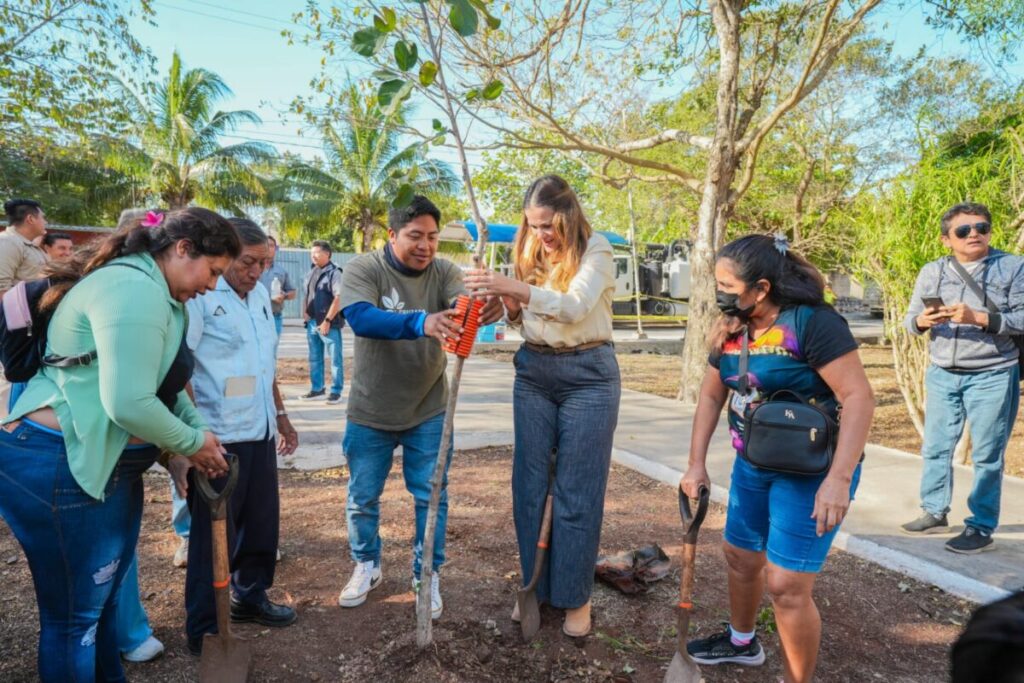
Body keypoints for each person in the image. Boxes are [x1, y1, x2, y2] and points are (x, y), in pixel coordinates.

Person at [0, 207, 236, 682]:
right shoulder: (133, 290)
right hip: (59, 465)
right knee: (75, 623)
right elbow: (128, 403)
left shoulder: (161, 295)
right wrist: (192, 444)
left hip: (101, 468)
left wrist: (192, 441)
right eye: (212, 271)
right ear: (182, 248)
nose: (212, 286)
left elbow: (165, 387)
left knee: (102, 608)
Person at [678, 234, 874, 683]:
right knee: (740, 557)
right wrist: (696, 463)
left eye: (727, 283)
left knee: (786, 587)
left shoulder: (811, 323)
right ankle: (742, 642)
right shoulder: (731, 327)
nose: (718, 291)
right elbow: (710, 397)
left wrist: (839, 480)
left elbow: (859, 397)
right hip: (754, 464)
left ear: (761, 288)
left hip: (812, 471)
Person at [463, 174, 620, 638]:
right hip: (534, 372)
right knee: (529, 485)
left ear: (568, 216)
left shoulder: (598, 250)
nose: (540, 235)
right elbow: (522, 318)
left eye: (548, 225)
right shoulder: (528, 251)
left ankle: (575, 597)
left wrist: (515, 288)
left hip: (589, 375)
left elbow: (574, 308)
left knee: (577, 490)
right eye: (532, 226)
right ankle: (534, 586)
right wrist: (505, 303)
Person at [336, 195, 501, 618]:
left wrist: (486, 308)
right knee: (362, 498)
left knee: (431, 497)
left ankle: (426, 574)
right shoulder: (364, 268)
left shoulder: (444, 271)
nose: (426, 245)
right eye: (415, 236)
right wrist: (421, 322)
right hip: (370, 411)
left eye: (432, 237)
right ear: (392, 235)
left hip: (429, 409)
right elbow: (359, 317)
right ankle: (367, 564)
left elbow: (463, 305)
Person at [173, 217, 299, 655]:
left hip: (259, 429)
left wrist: (281, 415)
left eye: (265, 262)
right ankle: (205, 626)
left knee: (262, 523)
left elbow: (265, 363)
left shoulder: (262, 294)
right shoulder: (203, 297)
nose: (257, 271)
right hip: (217, 435)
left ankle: (251, 595)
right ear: (227, 256)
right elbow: (181, 368)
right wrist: (194, 434)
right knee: (213, 536)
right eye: (249, 262)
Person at [900, 202, 1023, 553]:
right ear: (945, 239)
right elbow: (909, 322)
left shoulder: (1013, 267)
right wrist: (923, 321)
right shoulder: (932, 270)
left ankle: (981, 526)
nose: (975, 234)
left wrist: (979, 318)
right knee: (936, 447)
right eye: (964, 230)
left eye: (982, 227)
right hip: (942, 373)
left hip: (993, 372)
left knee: (987, 454)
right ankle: (934, 511)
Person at [300, 240, 344, 404]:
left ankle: (336, 391)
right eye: (311, 253)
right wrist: (305, 312)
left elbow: (339, 298)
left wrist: (327, 320)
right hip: (312, 322)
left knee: (335, 359)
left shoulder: (335, 273)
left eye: (316, 252)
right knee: (314, 357)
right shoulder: (311, 272)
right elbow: (307, 294)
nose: (313, 256)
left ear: (327, 254)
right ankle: (317, 389)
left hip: (328, 323)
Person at [0, 198, 48, 296]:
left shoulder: (26, 244)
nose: (45, 222)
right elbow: (1, 289)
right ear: (30, 219)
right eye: (42, 218)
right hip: (15, 310)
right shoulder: (7, 241)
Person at [258, 235, 297, 355]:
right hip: (256, 316)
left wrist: (284, 296)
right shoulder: (253, 268)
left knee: (271, 353)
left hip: (275, 317)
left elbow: (292, 292)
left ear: (276, 249)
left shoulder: (281, 271)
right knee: (256, 352)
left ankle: (271, 374)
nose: (269, 248)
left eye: (271, 245)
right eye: (266, 245)